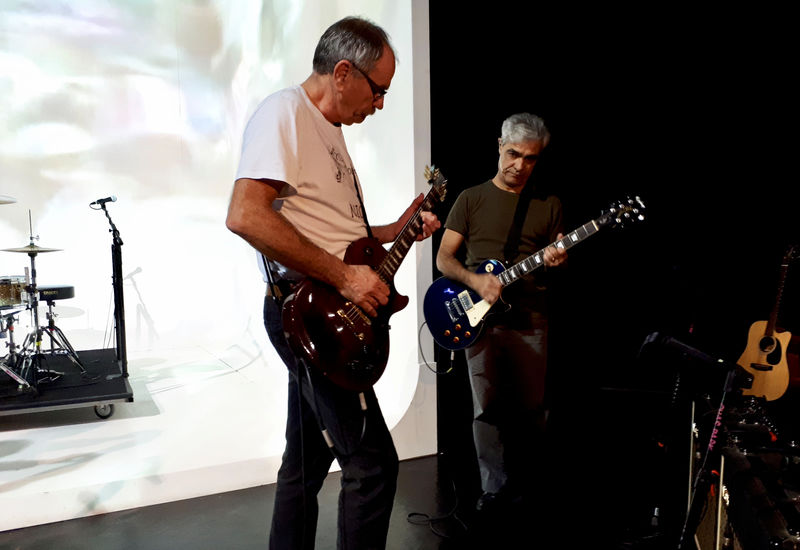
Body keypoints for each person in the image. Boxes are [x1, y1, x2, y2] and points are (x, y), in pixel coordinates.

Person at [225, 16, 440, 550]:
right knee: (372, 467)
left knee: (303, 464)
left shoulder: (331, 133)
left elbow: (340, 232)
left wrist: (397, 229)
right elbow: (246, 215)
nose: (382, 104)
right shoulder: (285, 113)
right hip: (315, 318)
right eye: (379, 90)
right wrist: (346, 276)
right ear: (344, 72)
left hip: (327, 313)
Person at [435, 112, 567, 514]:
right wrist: (476, 282)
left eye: (530, 158)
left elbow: (554, 255)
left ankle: (528, 484)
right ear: (498, 145)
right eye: (513, 154)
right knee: (487, 410)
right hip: (480, 322)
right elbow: (444, 258)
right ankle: (493, 489)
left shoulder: (549, 205)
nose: (519, 166)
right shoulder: (471, 198)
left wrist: (557, 258)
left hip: (531, 321)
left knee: (532, 411)